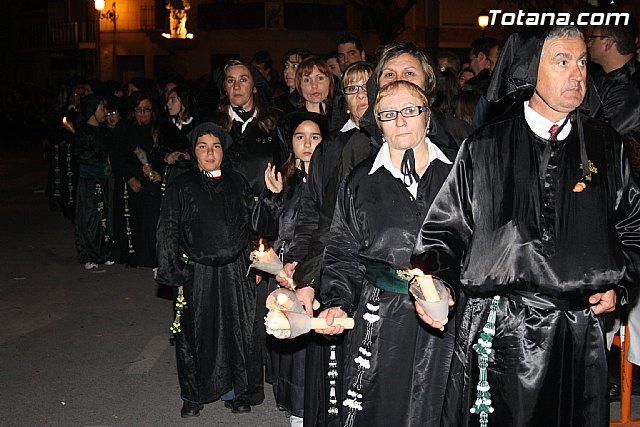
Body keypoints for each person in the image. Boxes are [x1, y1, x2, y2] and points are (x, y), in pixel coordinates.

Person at [411, 26, 640, 427]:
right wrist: (435, 285)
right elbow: (444, 232)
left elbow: (634, 228)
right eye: (563, 62)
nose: (578, 75)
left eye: (583, 62)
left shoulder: (607, 146)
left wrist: (620, 285)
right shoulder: (485, 147)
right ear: (531, 69)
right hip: (505, 333)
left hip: (579, 333)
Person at [317, 80, 455, 427]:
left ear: (427, 118)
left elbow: (479, 244)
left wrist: (449, 288)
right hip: (382, 315)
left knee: (439, 405)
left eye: (410, 110)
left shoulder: (457, 174)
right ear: (378, 123)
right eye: (388, 114)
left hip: (446, 312)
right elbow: (342, 250)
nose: (400, 121)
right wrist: (337, 300)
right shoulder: (360, 181)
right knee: (380, 408)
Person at [156, 122, 261, 417]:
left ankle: (237, 391)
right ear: (194, 152)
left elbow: (251, 224)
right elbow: (167, 230)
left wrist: (256, 262)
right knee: (194, 334)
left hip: (235, 272)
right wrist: (173, 272)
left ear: (223, 151)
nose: (210, 152)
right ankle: (194, 394)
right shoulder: (181, 185)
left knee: (237, 331)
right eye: (203, 146)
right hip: (197, 273)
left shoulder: (237, 182)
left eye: (215, 146)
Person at [252, 112, 327, 427]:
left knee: (307, 350)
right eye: (300, 136)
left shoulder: (331, 181)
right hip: (281, 270)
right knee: (285, 342)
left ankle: (302, 409)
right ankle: (290, 403)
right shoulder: (286, 178)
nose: (307, 143)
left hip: (314, 271)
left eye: (315, 137)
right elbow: (263, 228)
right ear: (291, 142)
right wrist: (271, 196)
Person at [215, 59, 283, 196]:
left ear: (255, 87)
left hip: (264, 209)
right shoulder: (213, 125)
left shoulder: (276, 123)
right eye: (230, 81)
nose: (236, 86)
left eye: (243, 80)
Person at [73, 94, 115, 270]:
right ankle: (89, 254)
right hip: (89, 181)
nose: (105, 112)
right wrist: (97, 154)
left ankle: (104, 252)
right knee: (89, 217)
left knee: (104, 216)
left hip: (104, 180)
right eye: (101, 108)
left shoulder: (105, 131)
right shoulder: (82, 132)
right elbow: (78, 156)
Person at [274, 48, 312, 114]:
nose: (288, 71)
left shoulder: (312, 102)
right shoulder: (276, 103)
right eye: (286, 66)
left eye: (295, 66)